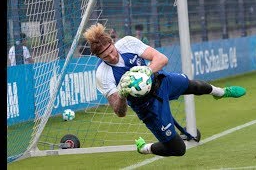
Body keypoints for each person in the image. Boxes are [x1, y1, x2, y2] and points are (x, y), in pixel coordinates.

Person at [83, 23, 246, 157]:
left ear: (112, 43)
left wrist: (146, 72)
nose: (112, 57)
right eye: (106, 57)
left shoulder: (127, 43)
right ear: (99, 58)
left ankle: (221, 92)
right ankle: (144, 148)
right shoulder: (102, 74)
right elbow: (120, 112)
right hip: (148, 108)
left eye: (111, 51)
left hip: (160, 81)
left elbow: (162, 59)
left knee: (196, 86)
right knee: (178, 149)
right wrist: (123, 94)